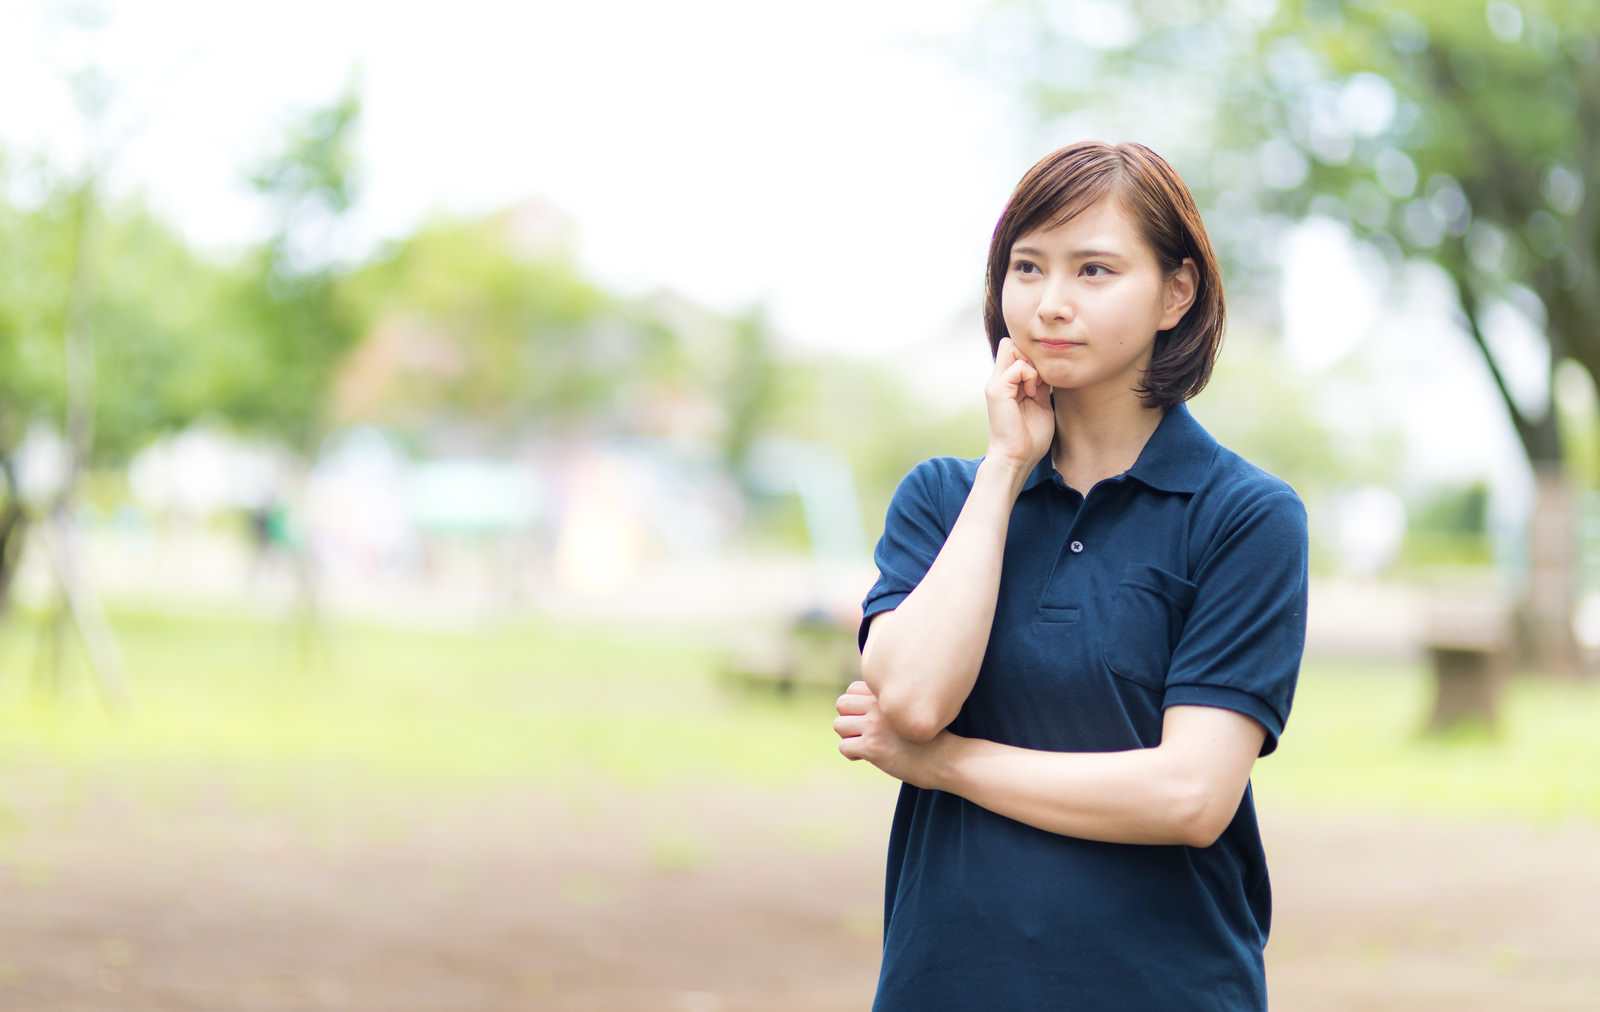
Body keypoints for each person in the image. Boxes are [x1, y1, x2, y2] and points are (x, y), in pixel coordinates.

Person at [833, 140, 1308, 1010]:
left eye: (1094, 270)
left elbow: (1190, 794)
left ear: (1177, 292)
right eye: (1026, 267)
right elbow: (908, 700)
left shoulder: (1243, 515)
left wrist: (944, 766)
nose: (1050, 304)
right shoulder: (945, 500)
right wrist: (1005, 467)